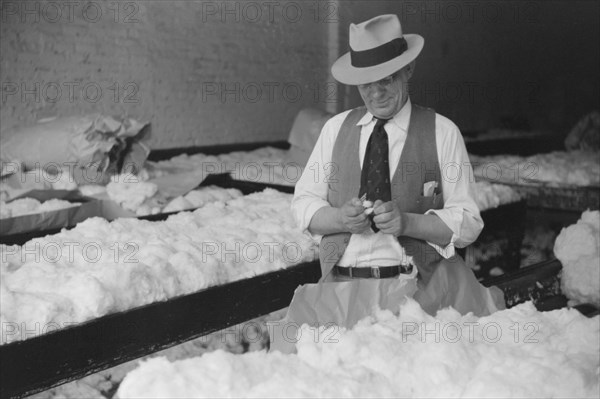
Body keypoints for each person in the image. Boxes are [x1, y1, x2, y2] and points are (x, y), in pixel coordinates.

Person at [291, 14, 505, 316]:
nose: (375, 94)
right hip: (340, 296)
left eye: (386, 79)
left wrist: (409, 223)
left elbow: (469, 222)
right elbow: (302, 206)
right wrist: (341, 219)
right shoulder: (335, 129)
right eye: (365, 84)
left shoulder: (442, 132)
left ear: (408, 69)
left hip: (421, 297)